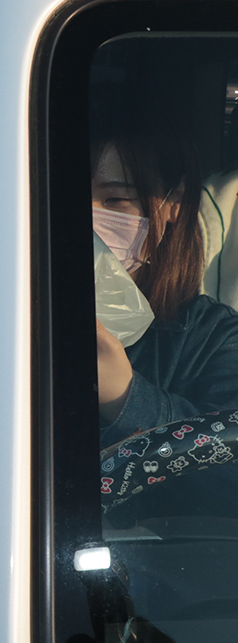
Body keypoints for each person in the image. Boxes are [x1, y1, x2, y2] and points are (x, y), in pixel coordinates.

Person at [92, 117, 238, 449]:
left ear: (174, 202)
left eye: (115, 200)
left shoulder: (213, 338)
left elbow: (227, 476)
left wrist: (125, 398)